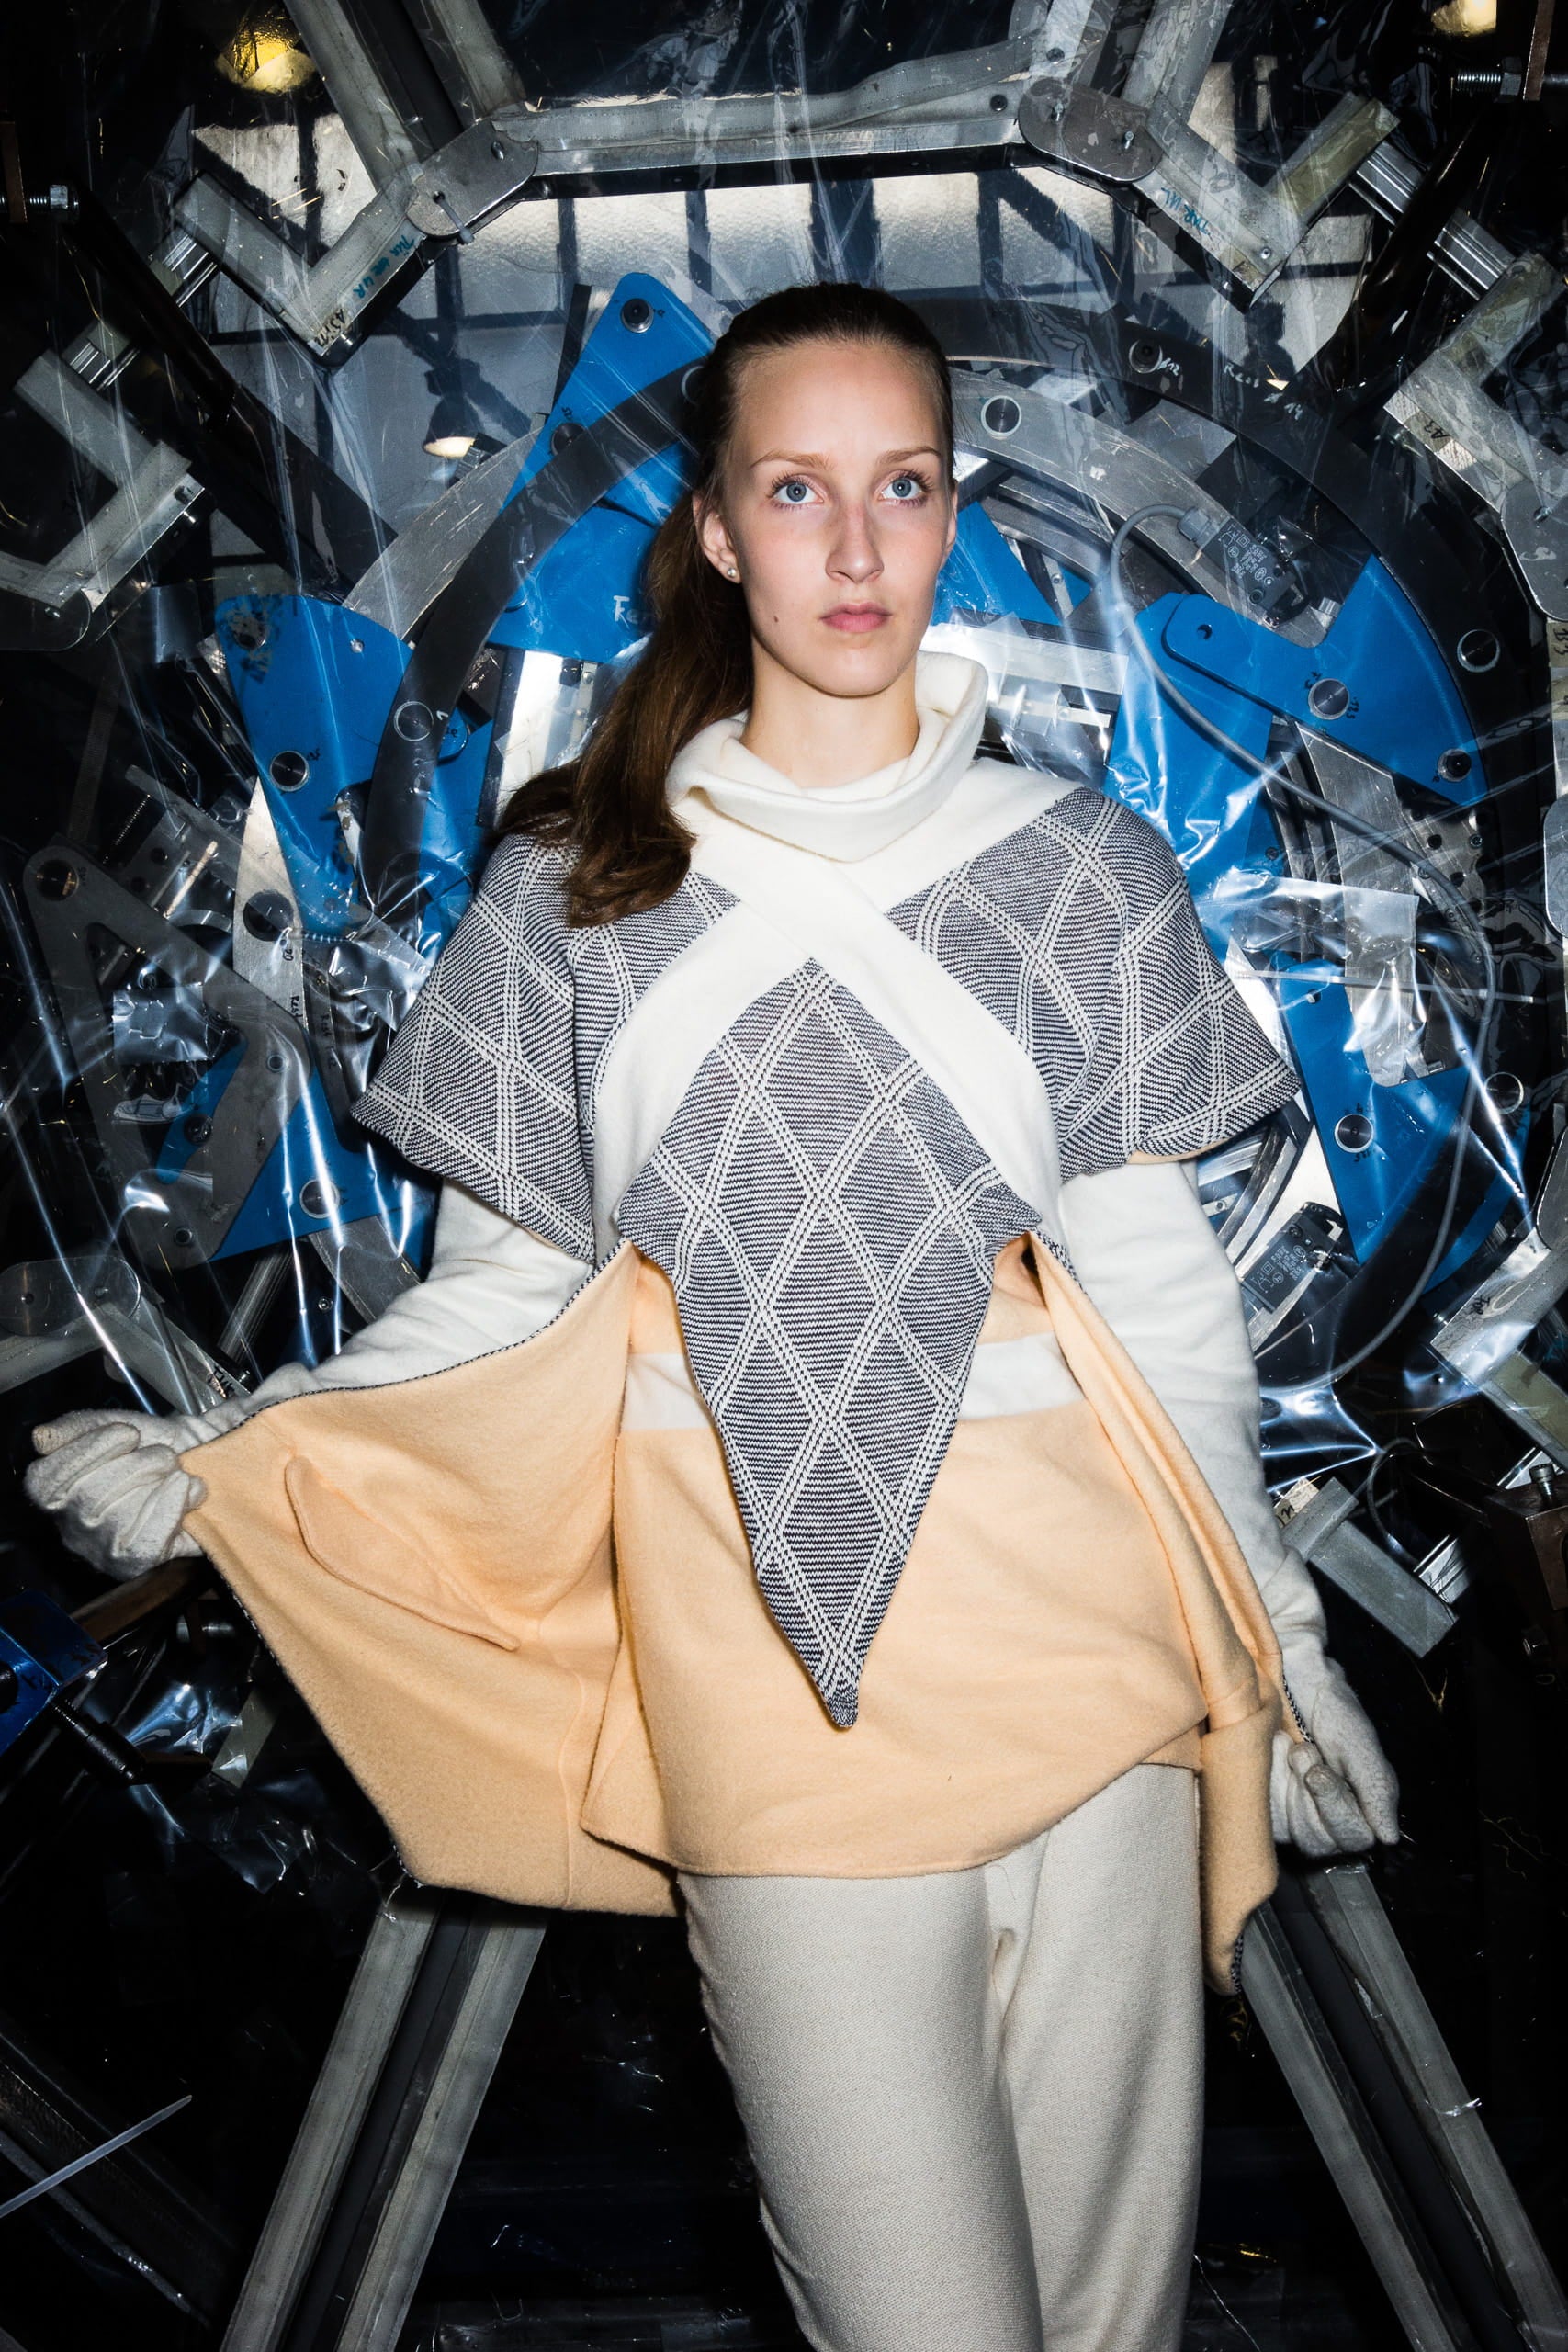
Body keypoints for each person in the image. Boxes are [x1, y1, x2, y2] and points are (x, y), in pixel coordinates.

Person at [26, 282, 1398, 2352]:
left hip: (1094, 1669)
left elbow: (1159, 1298)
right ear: (718, 530)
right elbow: (502, 1293)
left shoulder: (1084, 866)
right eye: (796, 488)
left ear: (951, 518)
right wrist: (241, 1458)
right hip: (773, 1689)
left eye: (902, 487)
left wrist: (1278, 1656)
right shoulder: (571, 882)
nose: (854, 547)